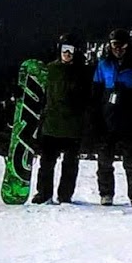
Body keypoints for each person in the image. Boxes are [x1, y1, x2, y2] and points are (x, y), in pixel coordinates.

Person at [32, 34, 90, 204]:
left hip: (74, 125)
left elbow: (88, 97)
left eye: (70, 50)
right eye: (64, 50)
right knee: (47, 163)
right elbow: (39, 92)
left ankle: (65, 195)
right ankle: (43, 193)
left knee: (70, 164)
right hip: (51, 124)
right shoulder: (50, 70)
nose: (67, 54)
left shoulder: (82, 72)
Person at [92, 28, 132, 207]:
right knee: (104, 161)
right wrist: (95, 117)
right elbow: (96, 92)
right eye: (115, 45)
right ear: (110, 45)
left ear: (127, 45)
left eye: (122, 45)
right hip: (107, 119)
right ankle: (106, 193)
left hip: (129, 120)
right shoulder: (103, 64)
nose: (118, 48)